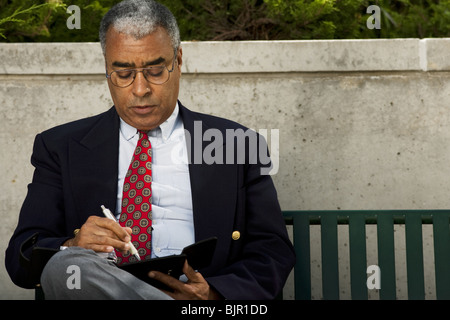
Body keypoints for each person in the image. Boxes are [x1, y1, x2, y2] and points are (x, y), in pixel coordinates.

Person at [5, 0, 295, 300]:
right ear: (107, 70)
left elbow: (272, 251)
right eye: (124, 73)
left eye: (155, 71)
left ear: (178, 61)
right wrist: (72, 244)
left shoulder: (236, 144)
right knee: (65, 266)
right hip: (96, 292)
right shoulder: (59, 147)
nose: (140, 89)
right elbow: (20, 257)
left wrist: (213, 295)